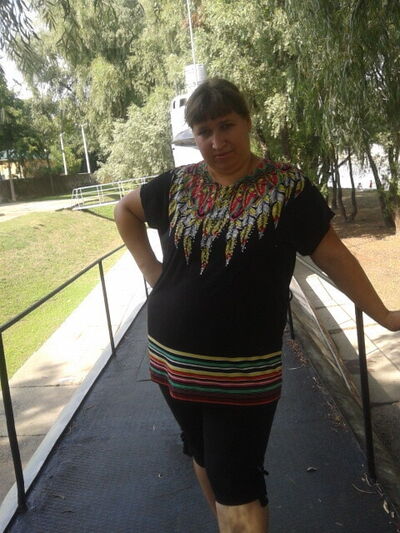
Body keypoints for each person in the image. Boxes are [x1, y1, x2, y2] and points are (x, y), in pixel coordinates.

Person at [114, 78, 400, 533]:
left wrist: (382, 314)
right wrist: (154, 273)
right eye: (204, 131)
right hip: (171, 360)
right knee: (203, 453)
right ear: (194, 137)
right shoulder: (176, 184)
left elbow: (333, 255)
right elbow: (125, 211)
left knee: (238, 484)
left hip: (242, 371)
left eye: (226, 126)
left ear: (247, 123)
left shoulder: (286, 188)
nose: (216, 141)